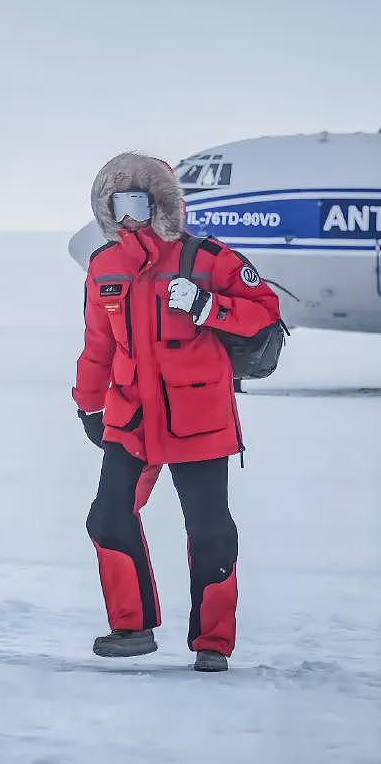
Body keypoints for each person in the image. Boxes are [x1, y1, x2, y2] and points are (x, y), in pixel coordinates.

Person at [72, 152, 281, 672]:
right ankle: (131, 627)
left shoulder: (206, 259)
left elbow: (266, 312)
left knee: (209, 529)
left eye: (138, 201)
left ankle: (213, 643)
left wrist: (211, 306)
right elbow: (98, 347)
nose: (128, 215)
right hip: (131, 420)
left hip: (199, 422)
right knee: (108, 516)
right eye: (116, 203)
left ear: (160, 203)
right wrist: (88, 403)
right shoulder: (103, 267)